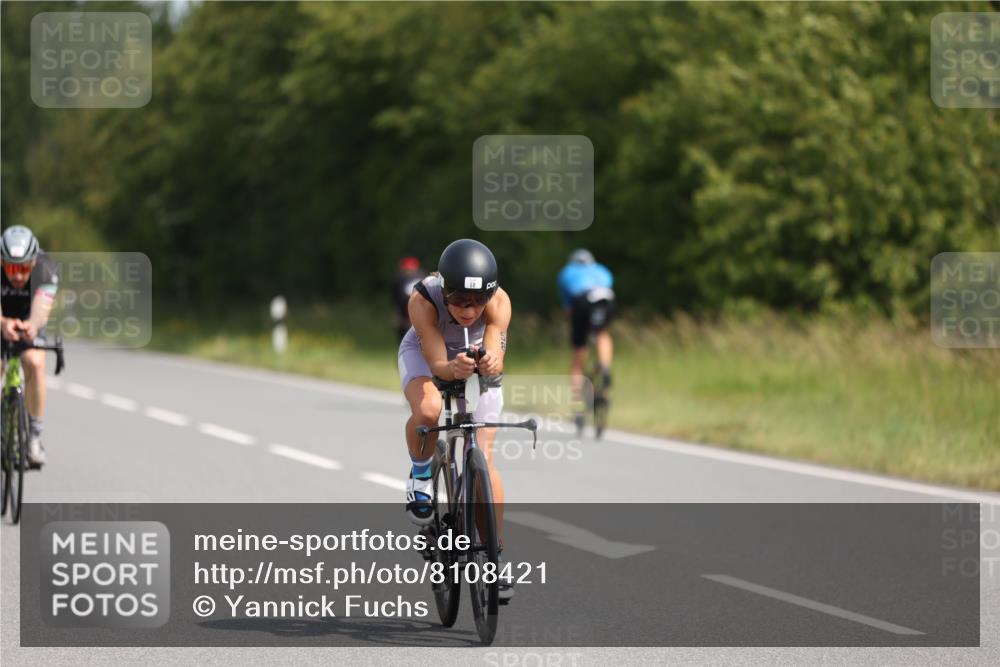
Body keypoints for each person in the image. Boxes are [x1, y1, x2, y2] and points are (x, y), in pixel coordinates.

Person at [397, 239, 513, 598]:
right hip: (426, 354)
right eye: (460, 299)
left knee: (484, 461)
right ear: (445, 290)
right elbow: (437, 364)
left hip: (473, 358)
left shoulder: (500, 302)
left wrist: (490, 361)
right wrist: (452, 368)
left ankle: (494, 557)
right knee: (429, 409)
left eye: (478, 301)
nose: (469, 309)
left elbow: (496, 352)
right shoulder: (422, 299)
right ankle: (421, 475)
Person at [1, 225, 59, 467]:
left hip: (29, 317)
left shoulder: (46, 268)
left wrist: (32, 327)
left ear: (33, 262)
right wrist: (3, 323)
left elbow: (41, 310)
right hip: (2, 317)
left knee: (35, 363)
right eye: (11, 268)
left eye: (23, 268)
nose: (17, 276)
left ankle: (34, 438)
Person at [557, 248, 615, 425]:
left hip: (582, 301)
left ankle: (577, 406)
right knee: (602, 333)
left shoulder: (567, 272)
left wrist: (577, 328)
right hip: (606, 299)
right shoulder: (602, 269)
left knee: (578, 355)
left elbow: (569, 309)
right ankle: (604, 365)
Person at [391, 256, 427, 342]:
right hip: (407, 317)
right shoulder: (399, 279)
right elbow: (396, 299)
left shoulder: (399, 278)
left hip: (420, 316)